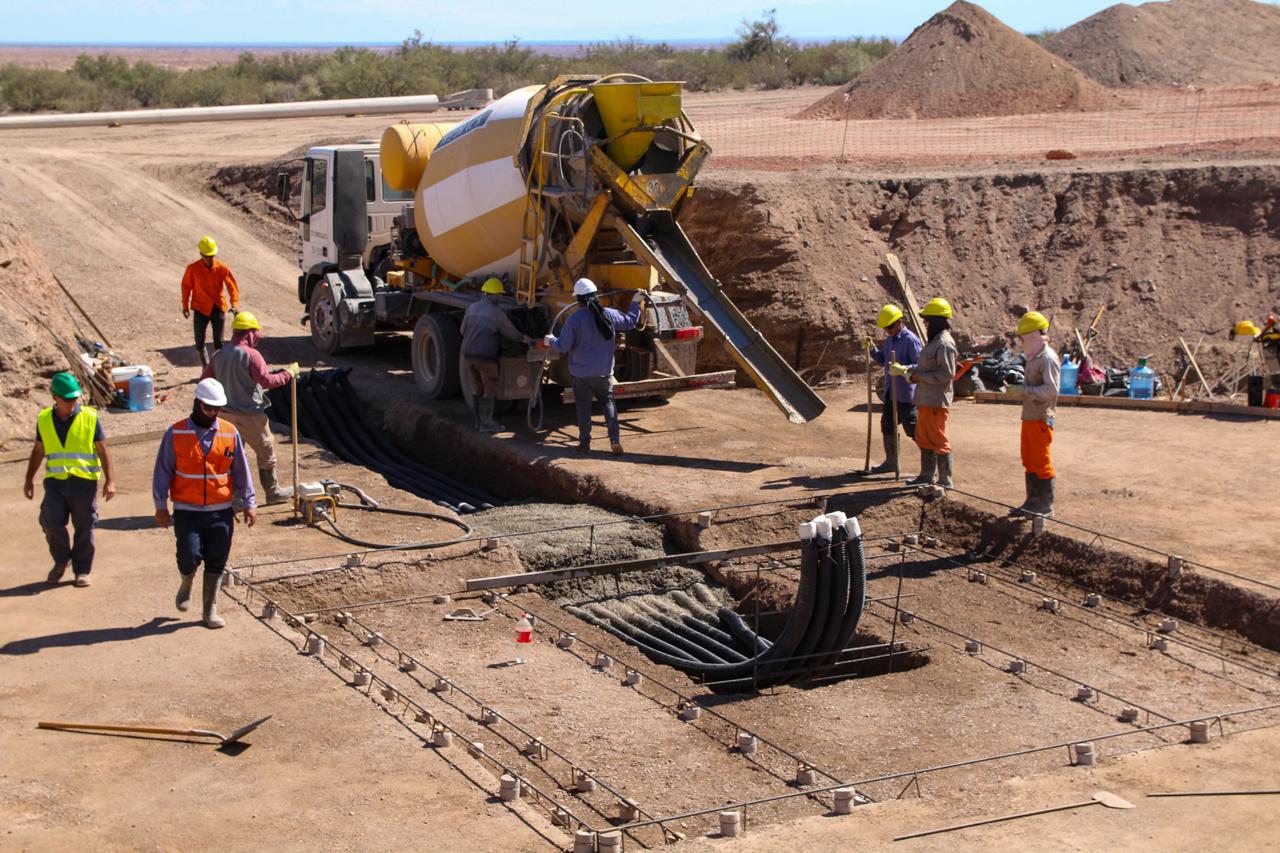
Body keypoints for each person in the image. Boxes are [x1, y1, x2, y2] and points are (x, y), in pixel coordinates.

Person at [152, 378, 256, 628]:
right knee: (189, 555)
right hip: (187, 510)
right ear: (197, 403)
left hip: (221, 509)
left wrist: (249, 502)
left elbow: (242, 471)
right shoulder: (176, 433)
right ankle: (187, 580)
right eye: (209, 408)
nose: (213, 413)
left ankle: (210, 608)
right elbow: (162, 471)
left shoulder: (230, 433)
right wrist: (160, 506)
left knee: (217, 558)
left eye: (217, 409)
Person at [23, 372, 116, 587]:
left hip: (83, 482)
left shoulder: (90, 418)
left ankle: (82, 570)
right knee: (50, 522)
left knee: (84, 526)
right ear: (55, 397)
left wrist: (110, 480)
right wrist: (28, 479)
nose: (71, 403)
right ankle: (61, 559)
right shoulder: (44, 419)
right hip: (55, 481)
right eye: (67, 399)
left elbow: (103, 450)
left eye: (74, 398)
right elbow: (38, 450)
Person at [201, 310, 298, 504]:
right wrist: (289, 373)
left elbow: (205, 382)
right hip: (250, 415)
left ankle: (235, 497)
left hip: (224, 416)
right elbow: (267, 381)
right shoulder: (252, 355)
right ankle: (272, 492)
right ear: (251, 333)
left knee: (232, 455)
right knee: (265, 452)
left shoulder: (218, 355)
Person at [546, 278, 647, 455]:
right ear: (595, 295)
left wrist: (550, 340)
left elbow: (563, 346)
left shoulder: (574, 319)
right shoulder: (608, 313)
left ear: (578, 299)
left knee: (583, 408)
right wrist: (635, 302)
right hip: (604, 372)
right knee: (608, 403)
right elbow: (630, 322)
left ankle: (585, 444)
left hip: (581, 374)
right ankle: (614, 440)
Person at [893, 298, 958, 489]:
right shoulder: (934, 342)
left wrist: (916, 376)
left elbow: (946, 375)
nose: (925, 324)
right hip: (925, 398)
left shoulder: (944, 344)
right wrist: (907, 370)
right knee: (924, 437)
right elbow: (925, 367)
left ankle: (945, 480)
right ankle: (926, 475)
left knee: (937, 439)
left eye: (927, 321)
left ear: (936, 321)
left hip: (936, 401)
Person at [460, 278, 530, 432]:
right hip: (485, 358)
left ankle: (478, 423)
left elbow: (462, 331)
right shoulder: (497, 313)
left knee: (476, 389)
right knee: (490, 388)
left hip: (468, 356)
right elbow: (511, 333)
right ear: (491, 295)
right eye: (498, 295)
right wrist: (524, 338)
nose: (499, 298)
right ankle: (487, 423)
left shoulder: (471, 308)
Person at [1013, 311, 1060, 517]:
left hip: (1041, 417)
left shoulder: (1047, 359)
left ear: (1032, 335)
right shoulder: (1035, 357)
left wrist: (1024, 391)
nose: (1021, 341)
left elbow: (1051, 390)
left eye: (1023, 337)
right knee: (1029, 458)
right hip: (1030, 416)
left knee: (1041, 460)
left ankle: (1045, 505)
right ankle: (1032, 502)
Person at [868, 304, 922, 473]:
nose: (887, 330)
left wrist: (903, 369)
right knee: (887, 426)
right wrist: (872, 350)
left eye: (890, 327)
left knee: (914, 430)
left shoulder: (911, 340)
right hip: (891, 393)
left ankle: (930, 467)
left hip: (907, 395)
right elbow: (882, 360)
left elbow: (920, 366)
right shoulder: (890, 339)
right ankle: (892, 462)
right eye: (885, 328)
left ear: (900, 322)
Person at [181, 235, 241, 367]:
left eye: (211, 255)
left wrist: (235, 304)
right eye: (206, 256)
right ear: (201, 254)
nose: (209, 258)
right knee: (199, 341)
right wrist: (185, 306)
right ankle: (206, 367)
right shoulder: (193, 269)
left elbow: (232, 286)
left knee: (219, 342)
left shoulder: (222, 268)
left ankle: (219, 368)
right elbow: (186, 286)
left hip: (217, 307)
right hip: (200, 307)